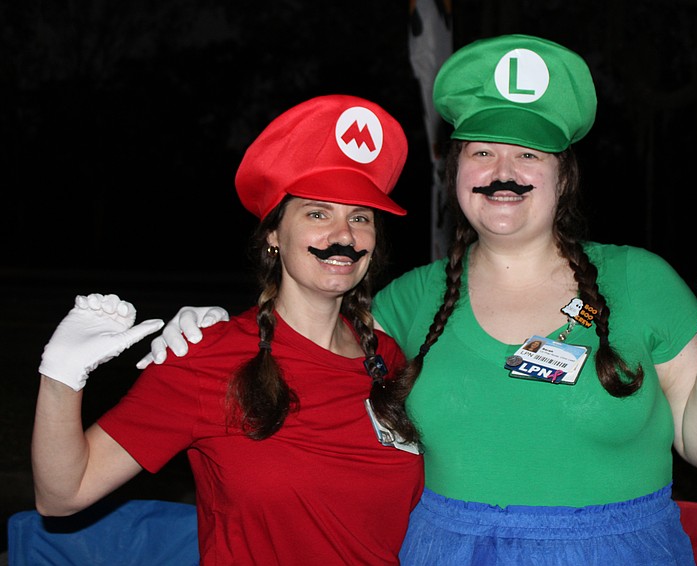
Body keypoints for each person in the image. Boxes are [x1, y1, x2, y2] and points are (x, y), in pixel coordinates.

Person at [144, 35, 697, 564]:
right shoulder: (409, 300)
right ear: (454, 174)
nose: (503, 172)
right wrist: (213, 333)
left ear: (565, 176)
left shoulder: (639, 281)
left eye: (529, 155)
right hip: (446, 550)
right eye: (482, 152)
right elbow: (304, 343)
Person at [32, 94, 425, 565]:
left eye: (360, 217)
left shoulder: (388, 360)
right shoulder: (205, 356)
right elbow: (62, 495)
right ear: (275, 235)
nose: (343, 236)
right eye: (318, 213)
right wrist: (60, 376)